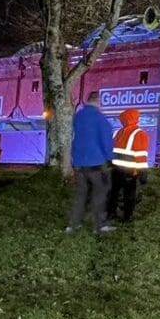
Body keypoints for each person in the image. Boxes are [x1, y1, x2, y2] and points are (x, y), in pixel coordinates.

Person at [67, 91, 115, 234]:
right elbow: (106, 141)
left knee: (80, 194)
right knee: (100, 193)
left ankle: (73, 225)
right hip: (96, 163)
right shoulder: (100, 119)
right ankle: (99, 226)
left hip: (79, 163)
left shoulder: (78, 117)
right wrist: (110, 158)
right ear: (98, 102)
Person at [107, 107, 149, 222]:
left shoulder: (117, 132)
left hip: (115, 169)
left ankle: (111, 214)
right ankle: (127, 217)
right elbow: (141, 155)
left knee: (113, 193)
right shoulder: (140, 133)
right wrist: (143, 174)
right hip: (129, 170)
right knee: (129, 195)